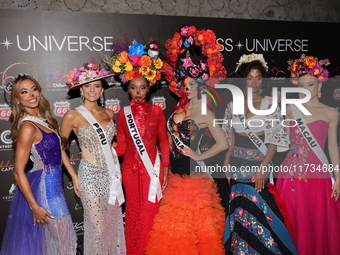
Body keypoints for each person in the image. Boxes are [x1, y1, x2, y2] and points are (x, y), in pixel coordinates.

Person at [145, 25, 228, 254]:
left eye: (192, 85)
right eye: (185, 85)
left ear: (201, 86)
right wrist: (163, 169)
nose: (188, 88)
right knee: (174, 233)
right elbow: (170, 143)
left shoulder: (205, 113)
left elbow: (223, 143)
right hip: (175, 177)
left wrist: (200, 155)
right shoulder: (176, 111)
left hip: (196, 179)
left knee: (198, 233)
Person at [222, 54, 297, 254]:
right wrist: (226, 163)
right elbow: (229, 139)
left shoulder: (269, 104)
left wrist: (264, 167)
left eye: (258, 78)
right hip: (236, 167)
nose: (253, 82)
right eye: (249, 77)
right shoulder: (232, 105)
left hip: (258, 166)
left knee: (261, 212)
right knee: (239, 211)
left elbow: (274, 139)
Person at [105, 40, 170, 255]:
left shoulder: (157, 112)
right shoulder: (123, 114)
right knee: (133, 212)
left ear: (149, 88)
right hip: (130, 171)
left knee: (151, 212)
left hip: (153, 170)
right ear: (128, 88)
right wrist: (105, 150)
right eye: (133, 88)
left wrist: (166, 171)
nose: (138, 92)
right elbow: (122, 146)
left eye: (142, 88)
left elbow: (164, 143)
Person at [0, 74, 77, 255]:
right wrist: (34, 207)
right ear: (17, 100)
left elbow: (60, 150)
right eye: (24, 92)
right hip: (45, 191)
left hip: (55, 188)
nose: (31, 95)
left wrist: (74, 176)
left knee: (55, 245)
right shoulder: (27, 127)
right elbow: (18, 172)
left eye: (34, 89)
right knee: (67, 242)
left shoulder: (46, 121)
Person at [276, 54, 340, 255]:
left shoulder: (331, 113)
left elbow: (333, 147)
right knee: (294, 225)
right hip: (291, 177)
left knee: (317, 226)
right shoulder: (289, 109)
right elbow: (278, 141)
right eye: (301, 85)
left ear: (320, 86)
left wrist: (338, 176)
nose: (305, 89)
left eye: (310, 84)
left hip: (318, 177)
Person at [61, 62, 126, 255]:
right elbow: (60, 149)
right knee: (97, 227)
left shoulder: (109, 113)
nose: (92, 90)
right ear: (81, 88)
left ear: (102, 88)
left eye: (96, 85)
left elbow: (110, 145)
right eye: (87, 85)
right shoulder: (72, 115)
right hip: (88, 175)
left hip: (111, 174)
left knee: (112, 225)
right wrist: (73, 176)